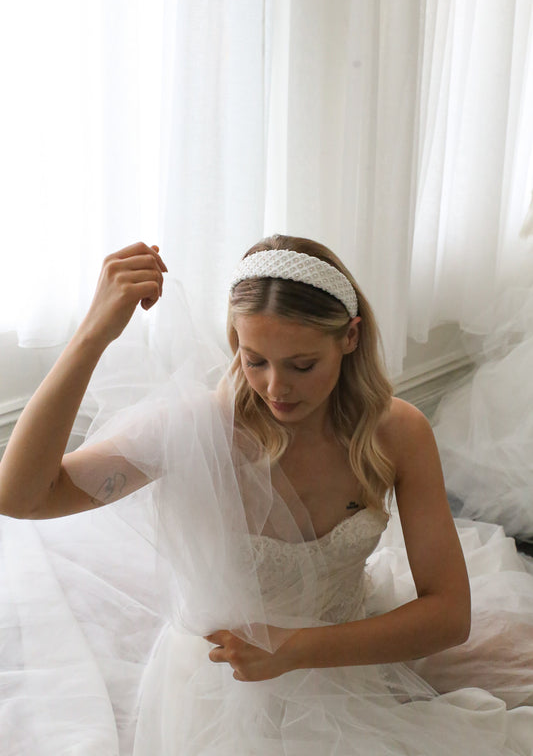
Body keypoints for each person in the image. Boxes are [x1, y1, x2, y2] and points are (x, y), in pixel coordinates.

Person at [0, 237, 531, 755]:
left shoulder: (396, 432)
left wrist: (296, 649)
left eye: (302, 365)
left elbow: (448, 615)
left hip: (347, 656)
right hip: (223, 689)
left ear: (349, 337)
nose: (276, 388)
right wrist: (92, 335)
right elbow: (23, 497)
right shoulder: (197, 430)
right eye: (255, 360)